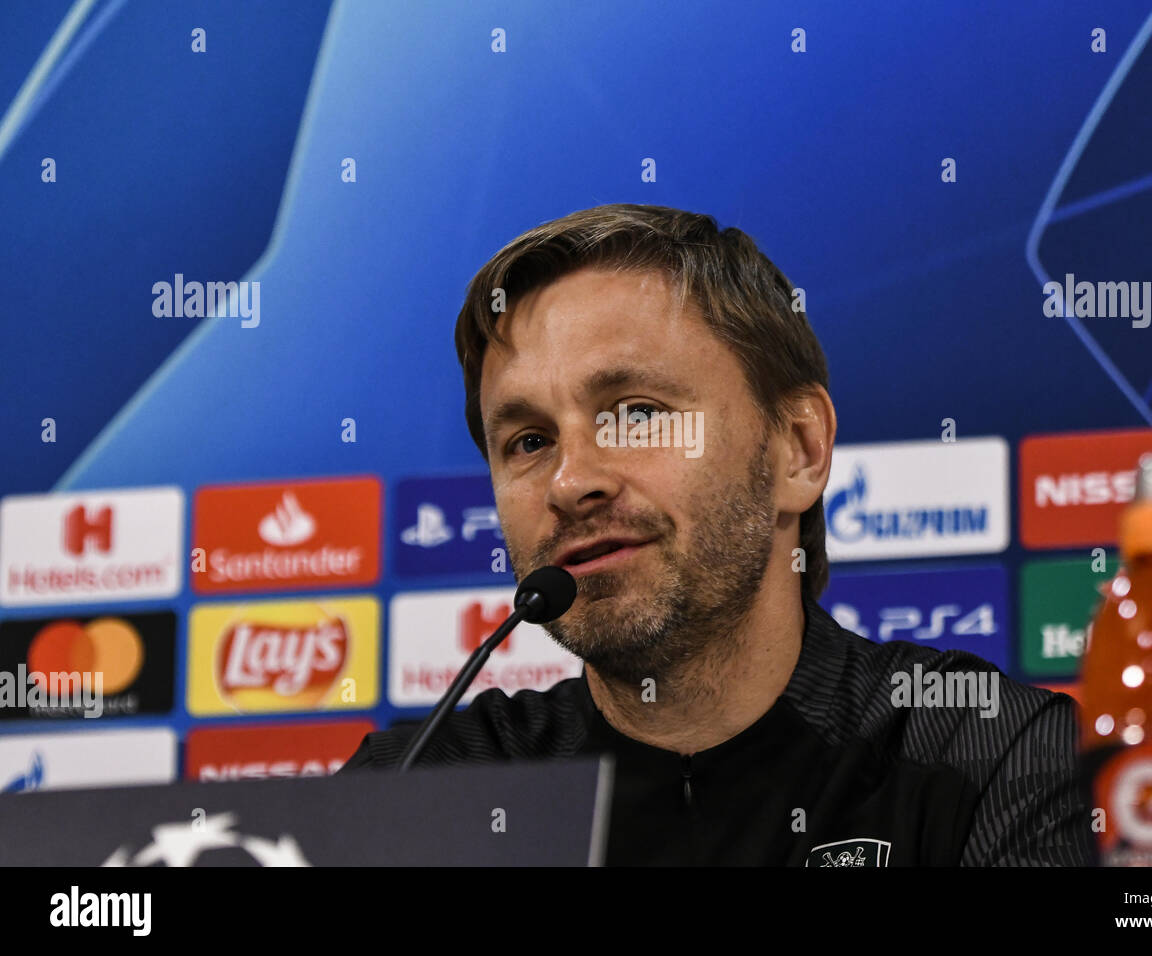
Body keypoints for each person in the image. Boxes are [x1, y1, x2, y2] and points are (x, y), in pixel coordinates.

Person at [341, 203, 1096, 866]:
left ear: (797, 450)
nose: (571, 482)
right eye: (530, 441)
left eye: (636, 413)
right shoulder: (423, 786)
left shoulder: (988, 756)